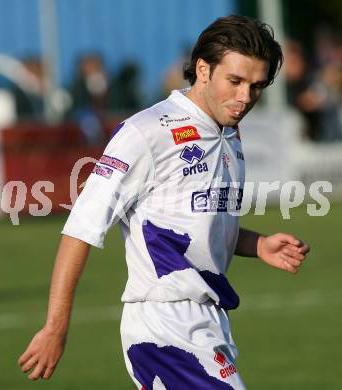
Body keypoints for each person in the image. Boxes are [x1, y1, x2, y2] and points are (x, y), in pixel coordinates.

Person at [18, 15, 310, 389]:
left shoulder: (228, 134)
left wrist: (258, 244)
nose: (244, 98)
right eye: (234, 81)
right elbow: (81, 227)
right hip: (165, 327)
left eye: (256, 87)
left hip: (208, 323)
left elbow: (194, 222)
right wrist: (55, 328)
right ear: (202, 69)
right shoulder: (147, 132)